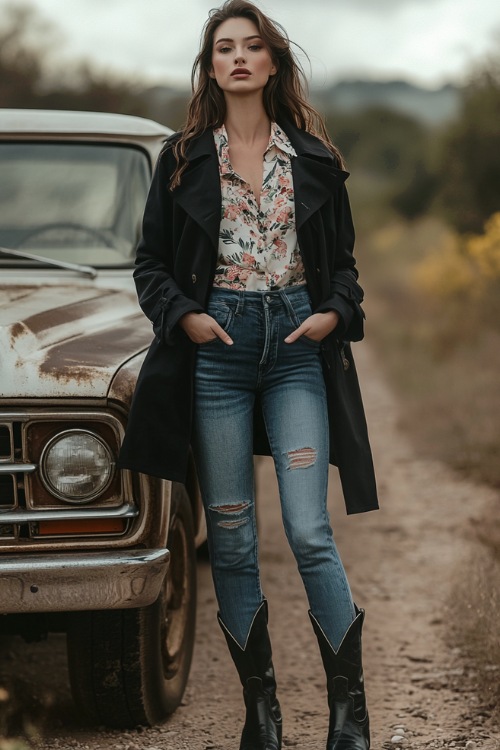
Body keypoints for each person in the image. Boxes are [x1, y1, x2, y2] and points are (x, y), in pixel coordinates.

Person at [119, 1, 378, 748]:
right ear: (210, 68)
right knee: (229, 538)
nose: (237, 57)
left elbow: (348, 270)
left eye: (251, 46)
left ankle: (348, 714)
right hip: (217, 356)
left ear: (272, 63)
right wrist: (187, 319)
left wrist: (332, 313)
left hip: (297, 348)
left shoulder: (317, 160)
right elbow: (150, 266)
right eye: (223, 48)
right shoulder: (182, 159)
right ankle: (260, 716)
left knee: (308, 531)